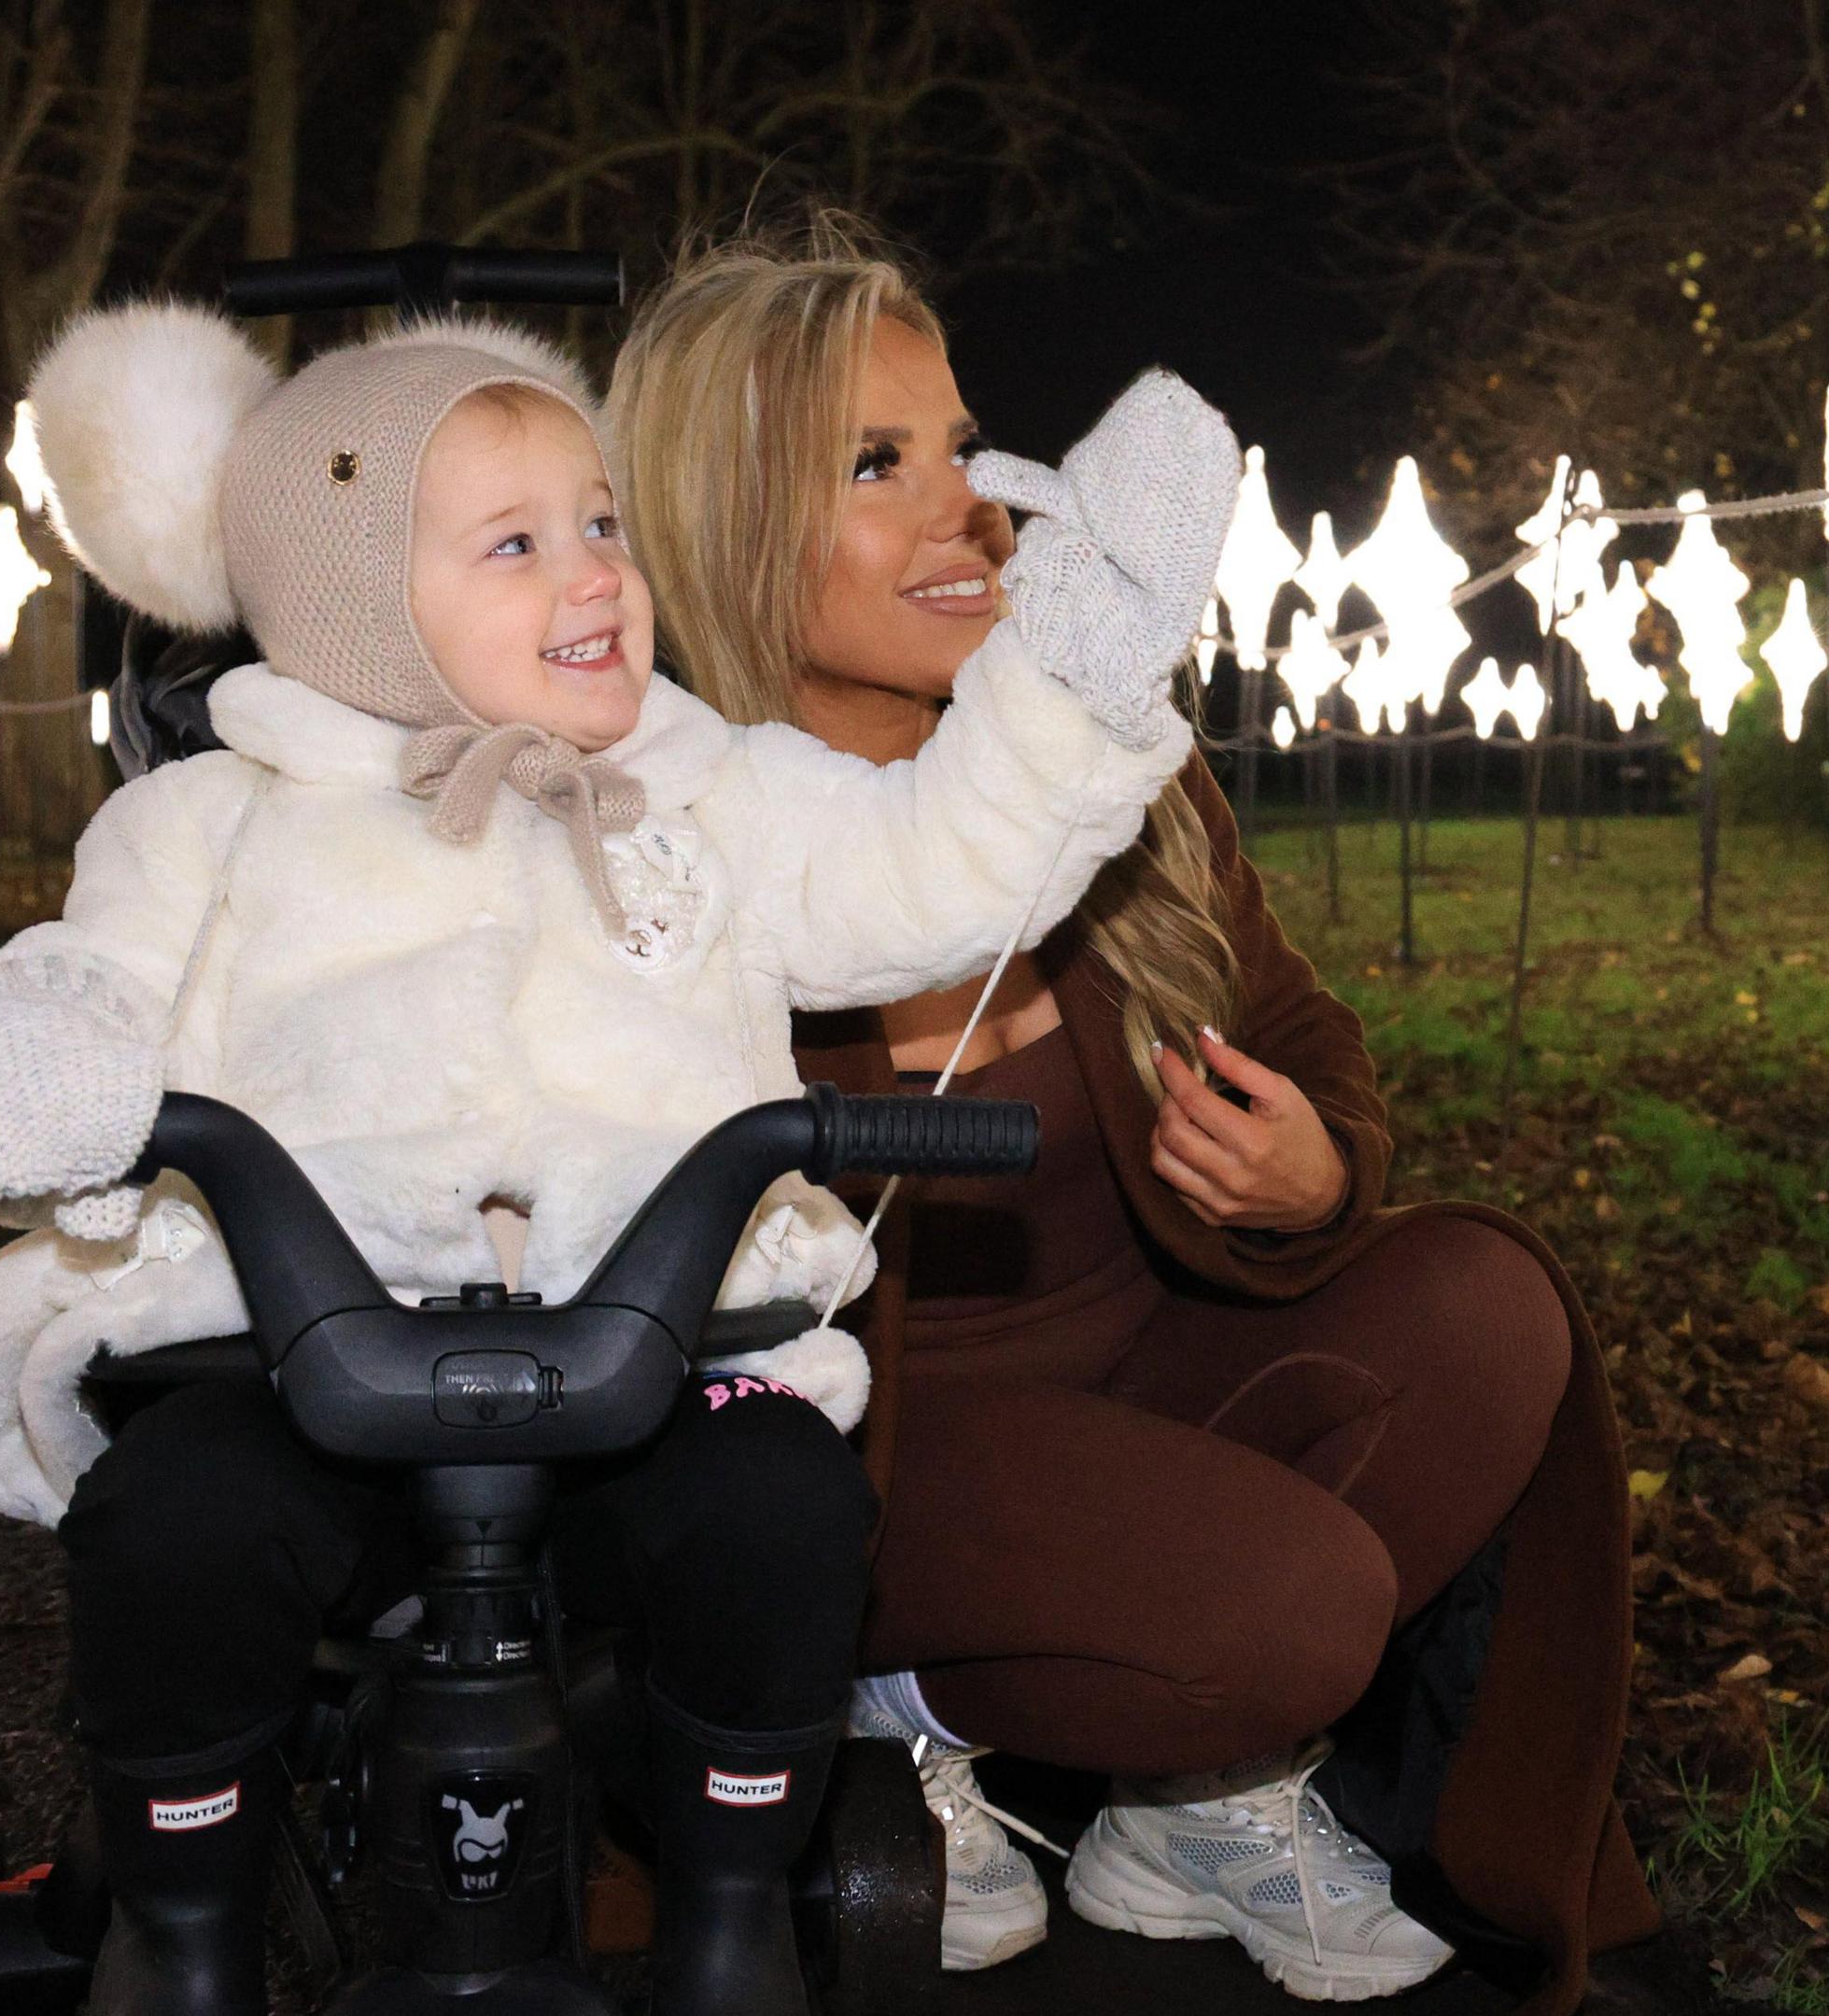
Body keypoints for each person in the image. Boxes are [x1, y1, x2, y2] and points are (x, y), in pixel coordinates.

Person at [0, 301, 1238, 2013]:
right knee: (176, 1522)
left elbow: (934, 858)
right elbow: (97, 980)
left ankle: (731, 1902)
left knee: (784, 1508)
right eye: (515, 544)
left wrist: (1076, 665)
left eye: (602, 524)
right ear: (360, 598)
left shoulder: (707, 792)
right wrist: (39, 1064)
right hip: (297, 1375)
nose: (593, 573)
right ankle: (186, 1921)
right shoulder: (214, 821)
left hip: (648, 1376)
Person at [611, 220, 1681, 2013]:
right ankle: (884, 1713)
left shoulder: (1111, 755)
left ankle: (1187, 1802)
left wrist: (1311, 1168)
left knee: (1495, 1311)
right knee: (1289, 1617)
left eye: (963, 445)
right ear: (726, 521)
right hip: (855, 1459)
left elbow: (1301, 1029)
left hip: (1151, 1381)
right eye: (878, 465)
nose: (969, 504)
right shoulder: (657, 838)